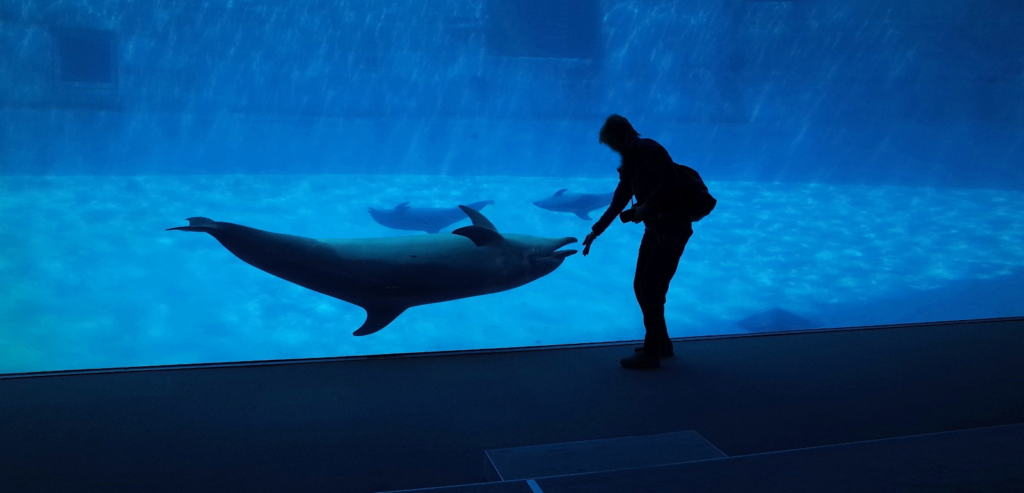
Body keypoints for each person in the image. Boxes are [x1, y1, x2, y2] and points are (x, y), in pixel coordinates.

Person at [582, 114, 694, 369]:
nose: (611, 149)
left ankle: (651, 350)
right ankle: (661, 342)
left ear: (618, 136)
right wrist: (595, 231)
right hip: (654, 230)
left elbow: (671, 182)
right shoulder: (630, 161)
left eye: (610, 142)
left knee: (650, 288)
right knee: (642, 286)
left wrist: (646, 207)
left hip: (672, 229)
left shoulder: (648, 149)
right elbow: (619, 200)